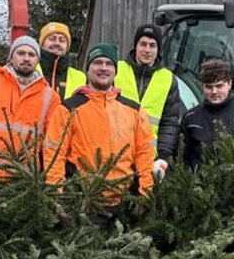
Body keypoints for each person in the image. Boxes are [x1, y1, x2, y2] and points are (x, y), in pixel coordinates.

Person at [46, 43, 155, 215]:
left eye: (109, 63)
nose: (103, 68)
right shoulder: (68, 109)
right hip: (81, 204)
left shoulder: (134, 110)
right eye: (97, 62)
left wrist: (144, 193)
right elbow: (54, 154)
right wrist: (57, 194)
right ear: (87, 69)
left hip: (125, 204)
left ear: (115, 71)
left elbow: (145, 153)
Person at [0, 34, 63, 178]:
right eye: (21, 53)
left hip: (26, 179)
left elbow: (51, 143)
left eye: (31, 54)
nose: (26, 58)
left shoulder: (51, 97)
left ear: (37, 60)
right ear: (11, 57)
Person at [114, 24, 183, 179]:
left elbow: (169, 122)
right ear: (136, 46)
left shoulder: (168, 79)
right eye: (143, 44)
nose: (147, 50)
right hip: (116, 156)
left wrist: (163, 157)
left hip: (150, 160)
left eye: (152, 45)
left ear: (158, 49)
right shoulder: (116, 70)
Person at [180, 58, 234, 170]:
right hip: (198, 179)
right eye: (209, 87)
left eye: (219, 86)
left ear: (229, 84)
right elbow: (181, 156)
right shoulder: (190, 118)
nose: (214, 92)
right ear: (202, 86)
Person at [38, 20, 86, 99]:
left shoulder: (80, 77)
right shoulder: (30, 71)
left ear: (67, 47)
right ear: (42, 44)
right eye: (52, 39)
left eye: (62, 40)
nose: (57, 43)